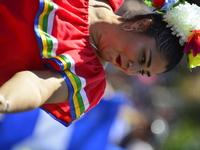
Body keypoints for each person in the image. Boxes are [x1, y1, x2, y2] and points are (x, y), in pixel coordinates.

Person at [0, 0, 186, 126]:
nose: (131, 69)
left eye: (142, 71)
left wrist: (4, 100)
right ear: (141, 25)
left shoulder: (88, 78)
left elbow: (38, 86)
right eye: (143, 58)